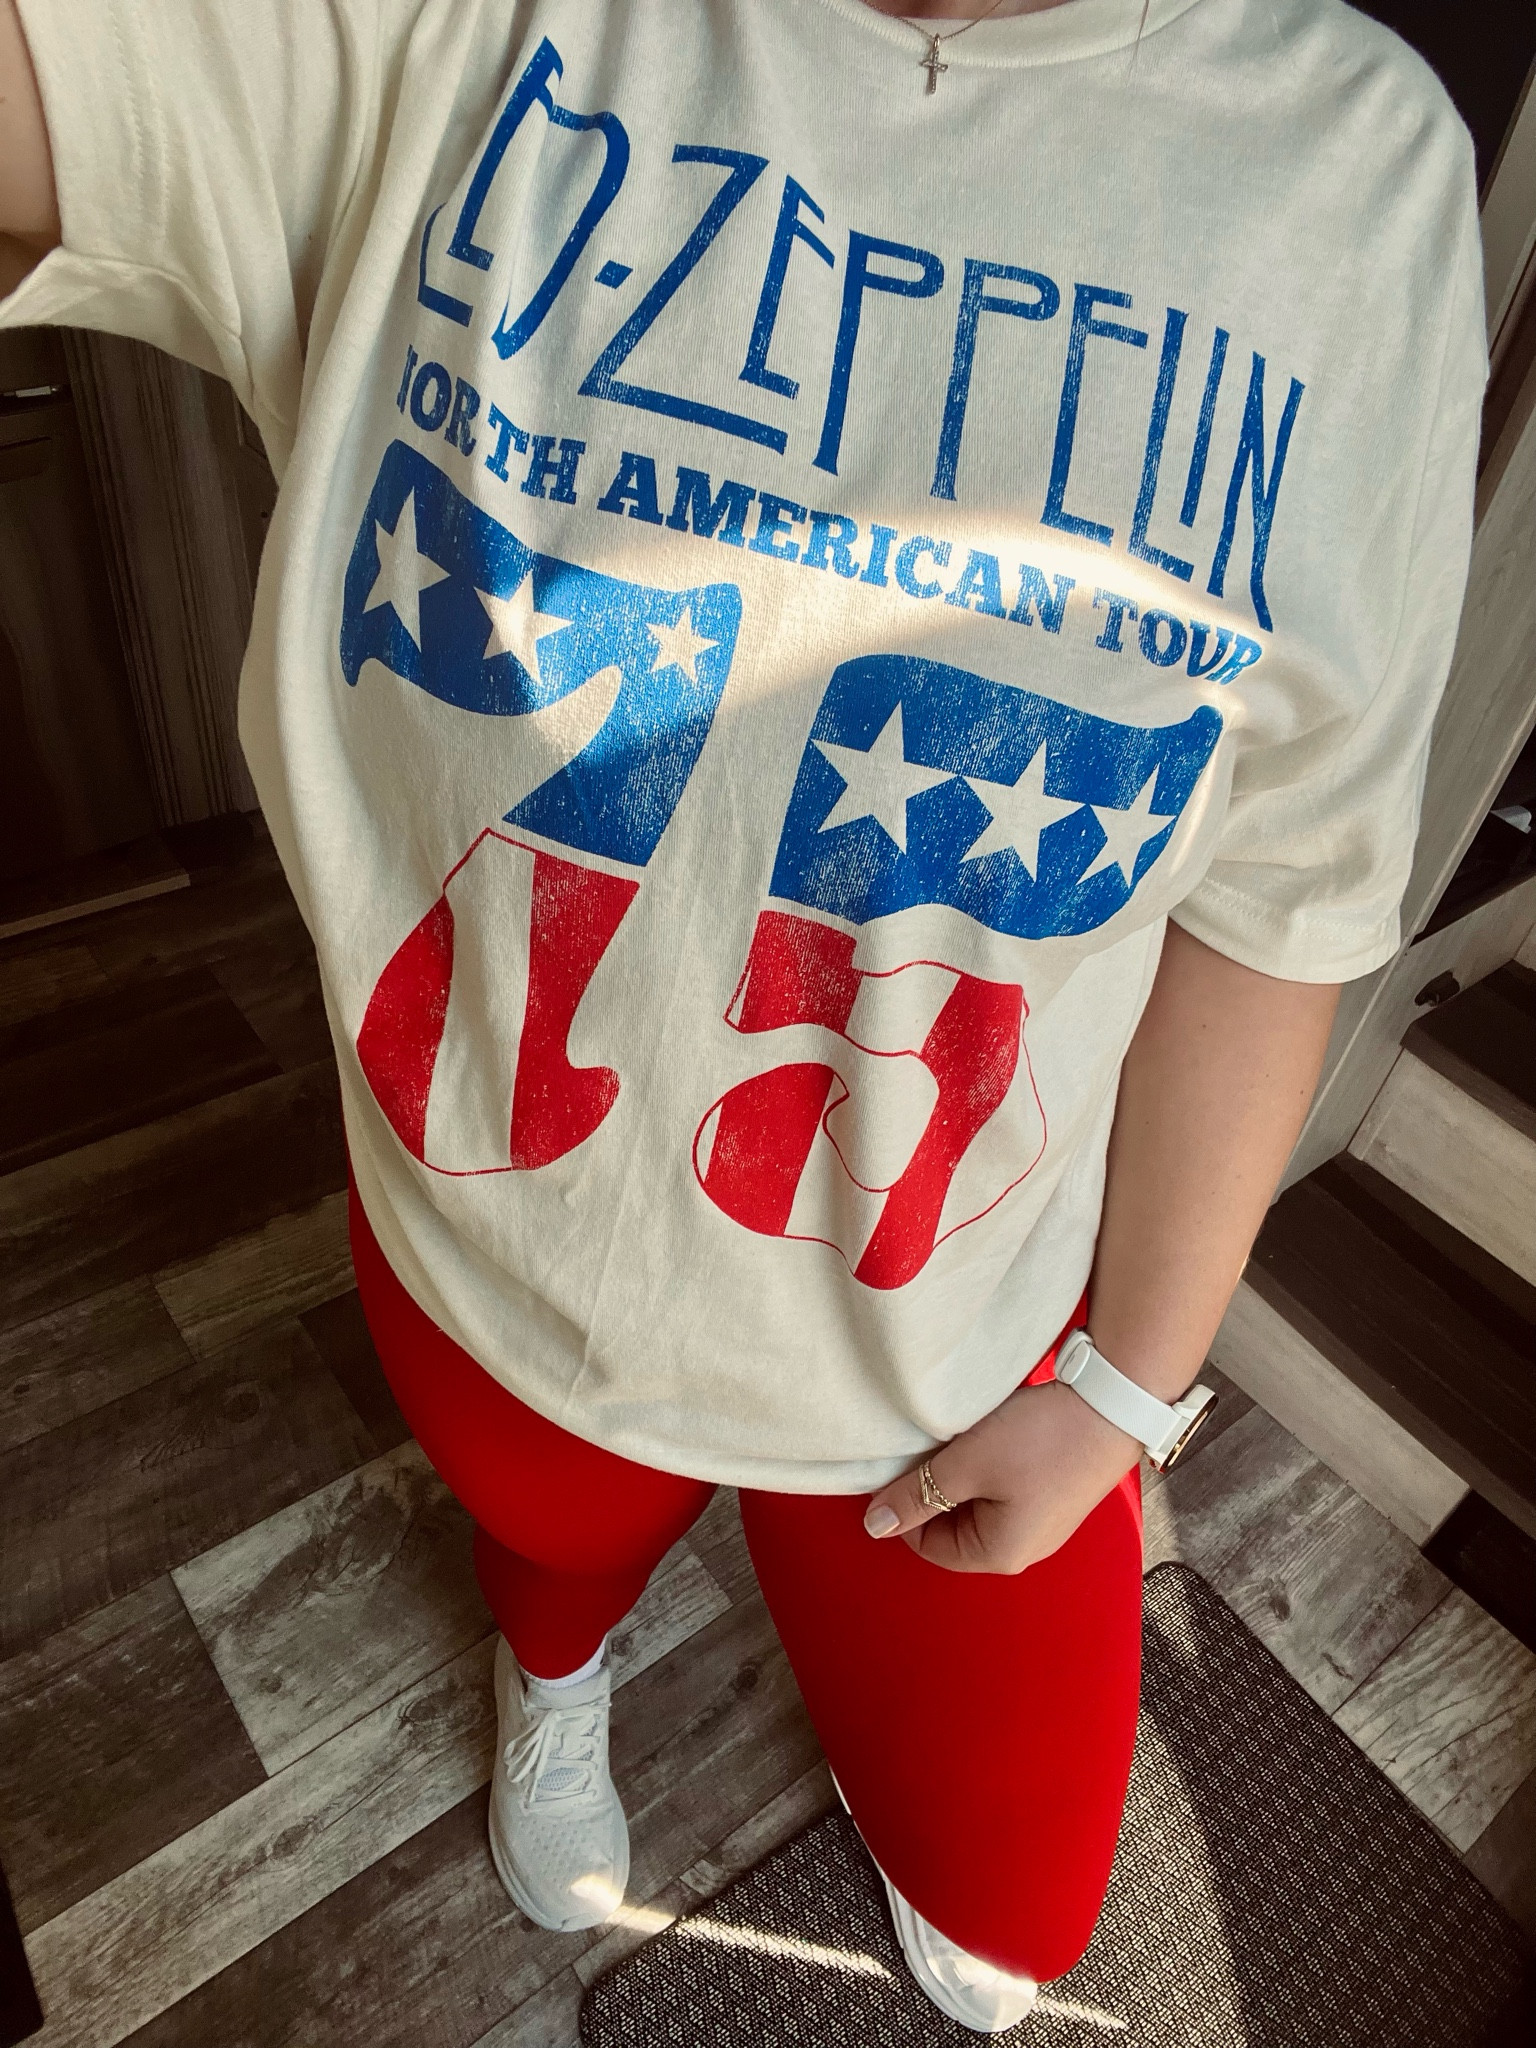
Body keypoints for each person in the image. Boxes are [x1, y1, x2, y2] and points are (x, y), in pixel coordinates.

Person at [0, 0, 1484, 2030]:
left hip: (957, 1341)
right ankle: (557, 1671)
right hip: (516, 1258)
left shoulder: (1360, 168)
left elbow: (1289, 890)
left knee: (1021, 1915)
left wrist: (1133, 1390)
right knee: (550, 1565)